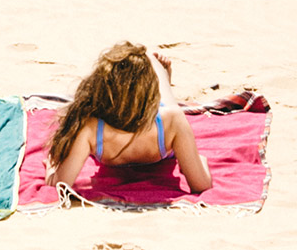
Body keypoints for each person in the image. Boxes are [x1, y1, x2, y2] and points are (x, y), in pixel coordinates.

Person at [43, 41, 213, 192]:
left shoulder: (91, 127)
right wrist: (199, 161)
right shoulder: (173, 120)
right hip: (158, 127)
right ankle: (160, 78)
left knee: (140, 60)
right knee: (151, 65)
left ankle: (153, 76)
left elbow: (58, 185)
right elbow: (201, 185)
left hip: (112, 131)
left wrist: (52, 167)